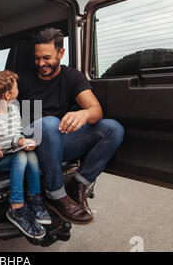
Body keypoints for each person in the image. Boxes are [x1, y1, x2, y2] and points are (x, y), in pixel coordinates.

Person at [17, 28, 124, 225]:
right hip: (30, 143)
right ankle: (55, 194)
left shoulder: (72, 77)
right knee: (49, 123)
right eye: (37, 58)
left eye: (46, 57)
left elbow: (96, 110)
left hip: (57, 142)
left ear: (61, 53)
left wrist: (83, 113)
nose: (41, 63)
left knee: (113, 129)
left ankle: (78, 184)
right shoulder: (22, 79)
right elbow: (2, 110)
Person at [0, 70, 51, 239]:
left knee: (30, 155)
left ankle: (34, 199)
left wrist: (22, 141)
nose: (19, 89)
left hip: (14, 154)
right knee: (21, 156)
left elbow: (17, 133)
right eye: (16, 86)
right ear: (8, 93)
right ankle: (16, 206)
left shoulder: (13, 111)